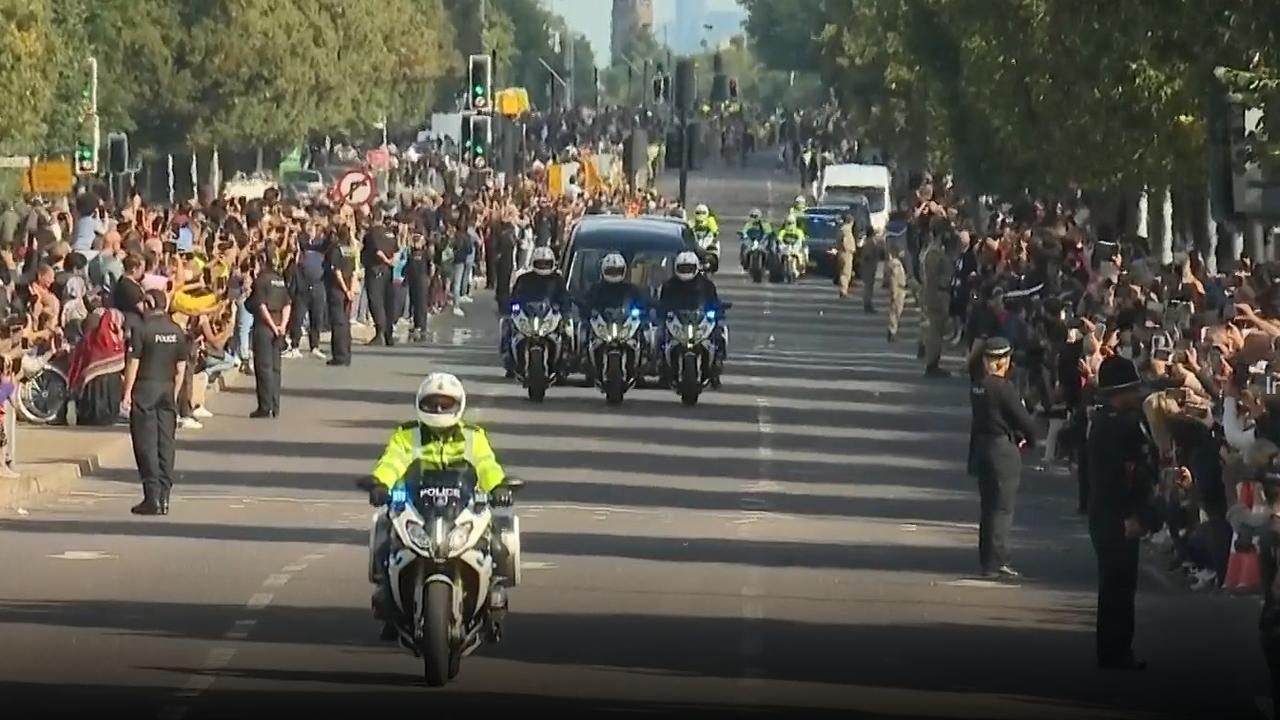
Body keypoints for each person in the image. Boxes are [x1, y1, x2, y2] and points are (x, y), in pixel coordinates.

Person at [356, 372, 511, 637]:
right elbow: (392, 461)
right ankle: (388, 604)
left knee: (499, 545)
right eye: (432, 404)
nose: (438, 410)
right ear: (420, 404)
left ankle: (493, 603)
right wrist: (380, 483)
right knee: (385, 536)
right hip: (420, 508)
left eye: (445, 404)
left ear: (458, 405)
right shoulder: (407, 435)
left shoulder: (474, 436)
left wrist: (499, 487)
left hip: (461, 509)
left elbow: (487, 464)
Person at [1087, 354, 1159, 671]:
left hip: (1109, 514)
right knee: (1118, 584)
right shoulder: (1115, 428)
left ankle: (1113, 650)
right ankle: (1116, 652)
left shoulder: (1109, 422)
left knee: (1118, 585)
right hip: (1114, 515)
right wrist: (1129, 515)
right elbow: (1118, 478)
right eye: (1132, 388)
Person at [968, 337, 1037, 578]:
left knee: (988, 508)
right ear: (1004, 361)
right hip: (1001, 449)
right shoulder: (1003, 388)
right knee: (1002, 509)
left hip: (981, 447)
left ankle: (986, 558)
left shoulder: (978, 385)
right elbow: (1022, 419)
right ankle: (997, 561)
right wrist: (1032, 436)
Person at [121, 289, 188, 516]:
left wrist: (127, 393)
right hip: (167, 389)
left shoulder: (141, 330)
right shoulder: (176, 331)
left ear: (149, 304)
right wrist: (174, 393)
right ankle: (165, 497)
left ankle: (152, 497)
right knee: (166, 443)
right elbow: (181, 369)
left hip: (145, 389)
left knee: (146, 443)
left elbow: (134, 363)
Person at [658, 251, 725, 379]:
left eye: (689, 268)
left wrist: (718, 310)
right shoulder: (669, 285)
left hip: (699, 321)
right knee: (660, 335)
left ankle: (716, 363)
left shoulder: (706, 285)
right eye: (682, 268)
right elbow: (663, 303)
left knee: (719, 333)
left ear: (696, 267)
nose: (685, 271)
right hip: (678, 321)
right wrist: (661, 311)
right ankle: (662, 363)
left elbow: (714, 301)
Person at [501, 246, 567, 377]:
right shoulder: (524, 279)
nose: (543, 266)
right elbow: (515, 296)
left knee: (567, 332)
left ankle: (562, 363)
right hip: (528, 315)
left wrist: (563, 310)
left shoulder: (557, 279)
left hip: (549, 316)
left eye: (546, 263)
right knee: (506, 325)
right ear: (534, 262)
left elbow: (564, 298)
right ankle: (510, 360)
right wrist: (514, 309)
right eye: (540, 263)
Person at [248, 254, 292, 418]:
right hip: (278, 326)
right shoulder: (279, 280)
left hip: (265, 328)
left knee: (264, 367)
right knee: (276, 369)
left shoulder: (261, 281)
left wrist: (273, 327)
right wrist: (282, 326)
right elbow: (287, 304)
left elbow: (261, 306)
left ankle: (264, 407)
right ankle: (275, 405)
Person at [920, 224, 952, 377]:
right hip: (936, 294)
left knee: (938, 330)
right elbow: (932, 276)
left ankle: (934, 362)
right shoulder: (934, 252)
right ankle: (932, 364)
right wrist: (938, 295)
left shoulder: (938, 251)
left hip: (938, 293)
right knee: (935, 332)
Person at [361, 210, 397, 345]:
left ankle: (380, 333)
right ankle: (389, 334)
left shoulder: (372, 233)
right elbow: (396, 249)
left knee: (376, 302)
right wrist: (391, 262)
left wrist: (386, 260)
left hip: (376, 269)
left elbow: (377, 251)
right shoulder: (390, 233)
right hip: (388, 271)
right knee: (388, 302)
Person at [323, 225, 357, 366]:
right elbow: (354, 272)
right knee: (346, 323)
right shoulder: (350, 250)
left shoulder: (336, 249)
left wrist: (344, 289)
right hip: (349, 290)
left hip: (337, 291)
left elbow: (337, 272)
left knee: (337, 323)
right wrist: (352, 291)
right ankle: (347, 354)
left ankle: (339, 355)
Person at [774, 214, 807, 282]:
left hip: (796, 249)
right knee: (776, 255)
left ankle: (802, 267)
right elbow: (779, 238)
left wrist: (799, 244)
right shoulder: (783, 231)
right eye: (788, 222)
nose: (790, 224)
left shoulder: (799, 231)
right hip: (785, 249)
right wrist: (781, 243)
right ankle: (779, 270)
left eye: (792, 222)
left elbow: (801, 239)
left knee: (805, 252)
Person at [836, 212, 857, 299]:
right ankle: (843, 291)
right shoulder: (846, 230)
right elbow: (845, 241)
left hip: (843, 252)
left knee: (845, 272)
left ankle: (844, 289)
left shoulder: (842, 229)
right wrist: (849, 249)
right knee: (845, 273)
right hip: (846, 253)